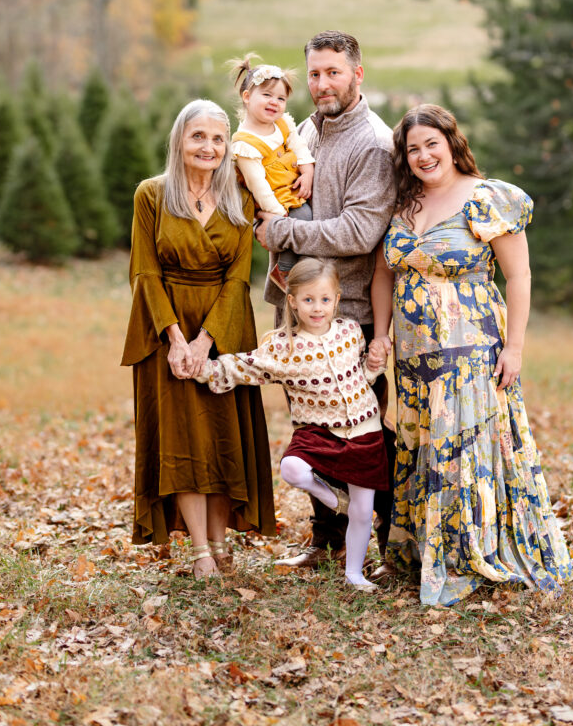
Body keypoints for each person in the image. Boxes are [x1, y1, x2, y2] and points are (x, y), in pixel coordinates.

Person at [370, 103, 573, 605]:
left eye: (430, 144)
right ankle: (425, 552)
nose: (422, 155)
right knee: (423, 444)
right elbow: (383, 273)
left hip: (472, 349)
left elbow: (519, 276)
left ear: (451, 143)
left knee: (464, 448)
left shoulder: (486, 199)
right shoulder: (403, 206)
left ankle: (468, 553)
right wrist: (382, 334)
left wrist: (516, 347)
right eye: (412, 149)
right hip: (415, 356)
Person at [255, 30, 396, 574]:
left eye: (333, 72)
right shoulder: (303, 130)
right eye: (314, 73)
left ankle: (384, 546)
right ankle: (325, 539)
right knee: (313, 430)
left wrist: (285, 231)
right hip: (299, 312)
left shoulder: (373, 145)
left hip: (350, 315)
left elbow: (360, 232)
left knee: (362, 436)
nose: (321, 83)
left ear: (358, 73)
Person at [121, 99, 276, 579]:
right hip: (164, 324)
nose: (207, 147)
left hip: (224, 326)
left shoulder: (240, 198)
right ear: (179, 142)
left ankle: (221, 540)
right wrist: (175, 340)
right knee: (182, 438)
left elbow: (237, 278)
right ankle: (200, 553)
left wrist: (206, 342)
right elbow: (145, 271)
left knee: (222, 434)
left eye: (217, 138)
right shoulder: (152, 194)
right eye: (198, 137)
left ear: (227, 145)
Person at [189, 258, 389, 592]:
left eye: (325, 300)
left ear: (337, 300)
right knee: (293, 470)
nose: (317, 308)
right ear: (293, 301)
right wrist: (203, 369)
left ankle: (354, 573)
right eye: (308, 300)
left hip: (365, 430)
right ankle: (333, 499)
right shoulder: (284, 346)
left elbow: (361, 379)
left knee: (363, 511)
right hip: (319, 431)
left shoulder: (350, 332)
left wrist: (372, 366)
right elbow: (247, 367)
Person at [230, 54, 315, 291]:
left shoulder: (283, 124)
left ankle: (299, 270)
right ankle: (284, 272)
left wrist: (307, 172)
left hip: (293, 189)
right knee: (303, 220)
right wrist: (279, 217)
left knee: (309, 219)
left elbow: (300, 148)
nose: (274, 102)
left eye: (281, 98)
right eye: (266, 95)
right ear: (247, 97)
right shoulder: (245, 143)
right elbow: (258, 186)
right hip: (276, 200)